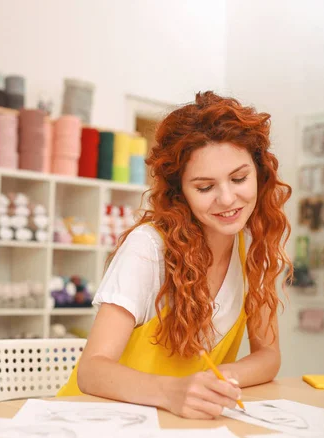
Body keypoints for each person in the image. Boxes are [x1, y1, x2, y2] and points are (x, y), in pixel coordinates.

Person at [58, 91, 292, 420]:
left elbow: (268, 354)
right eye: (205, 187)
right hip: (95, 421)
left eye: (239, 178)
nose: (227, 198)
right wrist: (175, 391)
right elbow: (92, 371)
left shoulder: (255, 248)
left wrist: (213, 383)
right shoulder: (149, 248)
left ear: (260, 173)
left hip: (176, 426)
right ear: (179, 191)